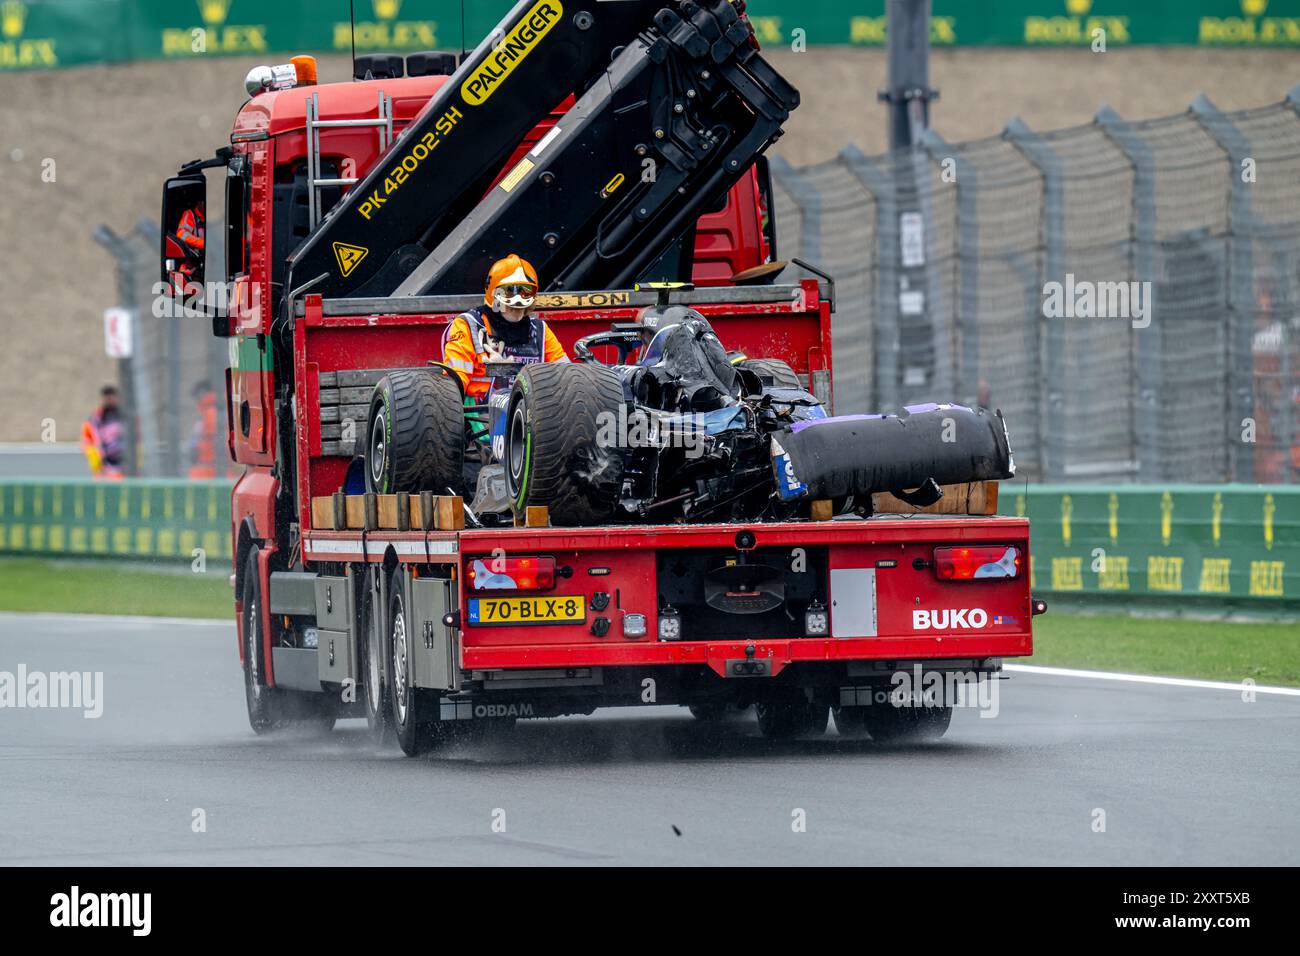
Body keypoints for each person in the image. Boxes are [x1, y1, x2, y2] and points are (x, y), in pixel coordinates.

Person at [440, 254, 569, 405]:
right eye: (510, 291)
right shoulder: (468, 325)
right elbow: (453, 387)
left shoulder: (540, 330)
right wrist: (497, 373)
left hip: (532, 413)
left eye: (526, 291)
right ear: (494, 294)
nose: (518, 300)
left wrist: (507, 371)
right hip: (477, 417)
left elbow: (567, 378)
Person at [81, 385, 125, 480]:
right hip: (103, 472)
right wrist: (96, 462)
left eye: (112, 397)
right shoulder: (94, 421)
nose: (109, 400)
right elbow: (87, 443)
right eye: (106, 397)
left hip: (125, 470)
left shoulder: (126, 418)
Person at [186, 380, 219, 479]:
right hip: (219, 470)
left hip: (208, 472)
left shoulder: (210, 414)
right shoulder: (219, 411)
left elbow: (194, 446)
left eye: (197, 398)